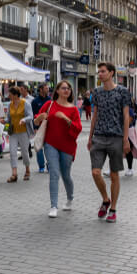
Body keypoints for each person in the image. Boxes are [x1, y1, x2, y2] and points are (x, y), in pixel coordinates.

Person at [86, 64, 130, 222]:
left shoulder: (122, 91)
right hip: (98, 136)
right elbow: (94, 115)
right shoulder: (97, 92)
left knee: (114, 174)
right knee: (95, 172)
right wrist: (90, 137)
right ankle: (105, 199)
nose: (100, 74)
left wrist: (125, 140)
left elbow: (126, 116)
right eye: (99, 72)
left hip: (116, 137)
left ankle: (113, 208)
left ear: (111, 73)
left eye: (103, 71)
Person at [35, 79, 83, 218]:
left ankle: (70, 198)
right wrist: (39, 118)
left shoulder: (73, 109)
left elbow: (78, 128)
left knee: (66, 175)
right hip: (51, 144)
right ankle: (53, 206)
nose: (66, 90)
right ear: (57, 91)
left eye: (68, 88)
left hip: (67, 146)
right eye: (63, 88)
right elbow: (36, 119)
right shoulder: (49, 105)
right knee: (54, 173)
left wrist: (66, 119)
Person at [6, 86, 32, 182]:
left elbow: (30, 116)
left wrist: (24, 120)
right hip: (13, 132)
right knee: (12, 152)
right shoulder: (10, 104)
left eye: (10, 94)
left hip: (23, 131)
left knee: (24, 152)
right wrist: (4, 123)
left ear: (16, 95)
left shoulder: (25, 103)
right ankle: (14, 174)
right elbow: (8, 118)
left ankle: (27, 170)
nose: (9, 96)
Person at [31, 84, 51, 173]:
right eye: (46, 88)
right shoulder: (35, 101)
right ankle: (41, 166)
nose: (48, 89)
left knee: (48, 148)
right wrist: (35, 127)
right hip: (39, 127)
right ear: (41, 89)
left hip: (48, 127)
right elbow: (34, 115)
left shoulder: (50, 100)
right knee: (39, 147)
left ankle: (49, 165)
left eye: (48, 88)